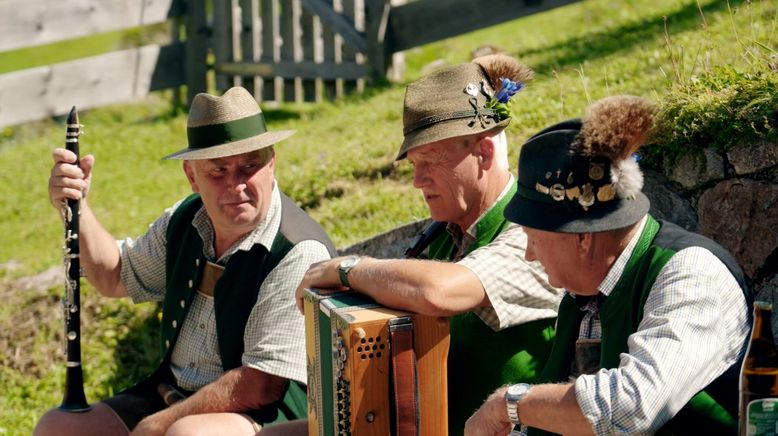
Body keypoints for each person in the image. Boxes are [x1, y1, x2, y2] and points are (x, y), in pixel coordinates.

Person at [36, 87, 336, 436]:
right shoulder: (186, 219)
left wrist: (158, 425)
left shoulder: (297, 251)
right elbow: (115, 276)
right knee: (58, 427)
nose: (236, 185)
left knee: (188, 435)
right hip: (172, 396)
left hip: (266, 415)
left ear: (272, 163)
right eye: (218, 171)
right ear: (191, 176)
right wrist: (78, 208)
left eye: (249, 166)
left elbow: (260, 387)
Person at [296, 54, 563, 435]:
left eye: (431, 161)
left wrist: (346, 268)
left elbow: (440, 291)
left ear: (484, 153)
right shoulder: (441, 237)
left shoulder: (534, 233)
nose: (418, 181)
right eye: (413, 164)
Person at [464, 95, 752, 435]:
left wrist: (509, 405)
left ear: (581, 239)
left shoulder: (692, 276)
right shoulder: (586, 292)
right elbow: (572, 410)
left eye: (534, 237)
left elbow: (632, 405)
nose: (530, 254)